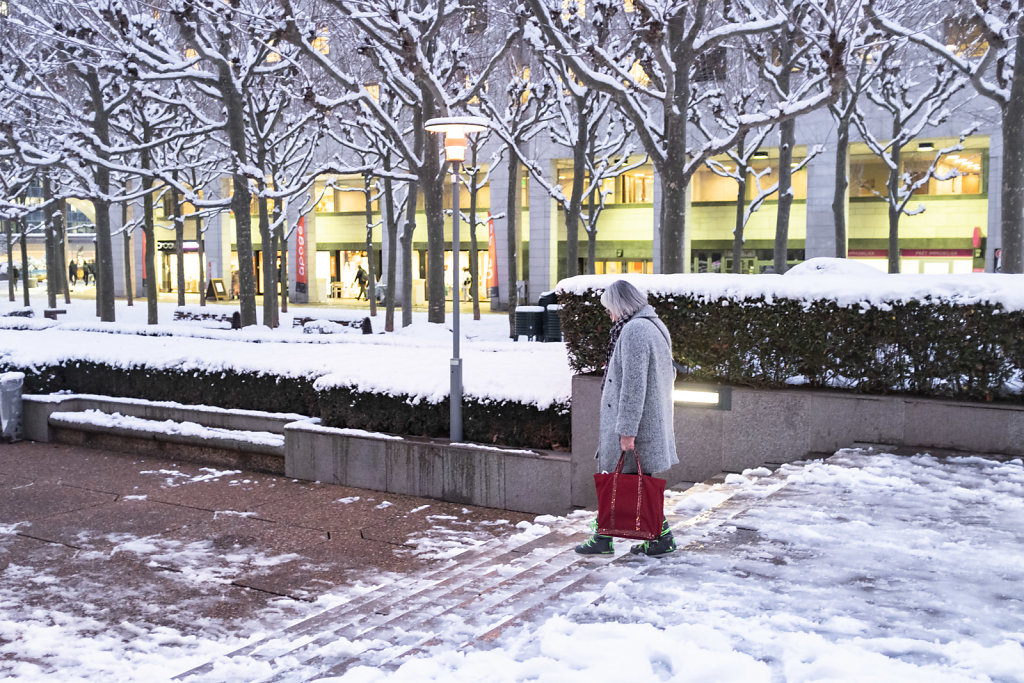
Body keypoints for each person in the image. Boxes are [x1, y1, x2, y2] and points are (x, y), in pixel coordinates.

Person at [575, 279, 679, 557]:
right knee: (632, 483)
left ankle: (605, 539)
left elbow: (634, 385)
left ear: (621, 305)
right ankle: (657, 538)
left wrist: (627, 430)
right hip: (650, 421)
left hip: (638, 425)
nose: (609, 314)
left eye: (609, 308)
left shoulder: (634, 330)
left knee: (620, 480)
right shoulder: (654, 326)